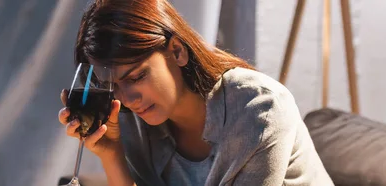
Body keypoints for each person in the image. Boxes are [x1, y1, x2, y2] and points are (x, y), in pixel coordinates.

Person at [57, 0, 334, 185]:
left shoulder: (260, 109)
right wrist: (111, 153)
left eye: (138, 76)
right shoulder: (131, 117)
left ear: (176, 51)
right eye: (113, 85)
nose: (128, 99)